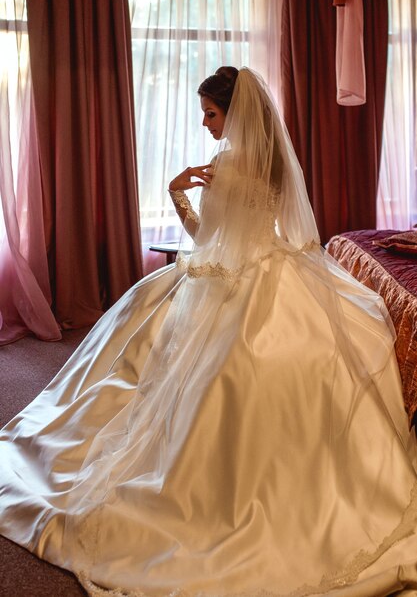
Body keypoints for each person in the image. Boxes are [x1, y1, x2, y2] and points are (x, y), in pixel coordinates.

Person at [0, 66, 417, 597]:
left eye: (211, 113)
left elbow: (207, 237)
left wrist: (177, 193)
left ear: (234, 114)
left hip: (231, 277)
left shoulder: (225, 166)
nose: (204, 122)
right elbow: (276, 231)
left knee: (145, 348)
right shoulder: (271, 165)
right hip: (279, 267)